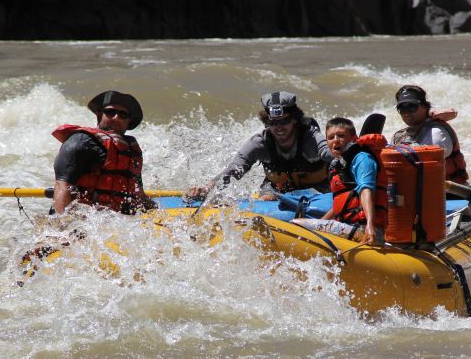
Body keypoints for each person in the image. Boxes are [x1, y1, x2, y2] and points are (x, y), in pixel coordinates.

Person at [187, 91, 333, 201]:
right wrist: (207, 189)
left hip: (320, 190)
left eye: (284, 121)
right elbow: (233, 170)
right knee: (266, 198)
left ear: (295, 119)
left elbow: (329, 153)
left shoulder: (310, 138)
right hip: (277, 192)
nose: (279, 128)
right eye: (273, 123)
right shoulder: (259, 144)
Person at [51, 90, 156, 215]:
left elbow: (139, 195)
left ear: (128, 121)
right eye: (110, 112)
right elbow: (62, 186)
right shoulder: (81, 141)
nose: (116, 117)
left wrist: (159, 211)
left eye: (123, 115)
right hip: (81, 220)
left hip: (115, 222)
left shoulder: (130, 151)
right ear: (99, 114)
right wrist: (63, 226)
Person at [291, 117, 388, 245]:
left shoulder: (362, 159)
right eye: (331, 137)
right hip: (347, 225)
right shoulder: (339, 164)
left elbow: (366, 191)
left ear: (353, 138)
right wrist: (321, 222)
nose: (336, 140)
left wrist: (370, 226)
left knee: (295, 225)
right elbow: (340, 205)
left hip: (363, 229)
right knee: (304, 225)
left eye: (341, 136)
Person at [390, 84, 469, 184]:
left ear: (425, 106)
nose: (406, 113)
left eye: (412, 107)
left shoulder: (436, 132)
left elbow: (425, 167)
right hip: (413, 190)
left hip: (449, 193)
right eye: (402, 108)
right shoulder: (399, 137)